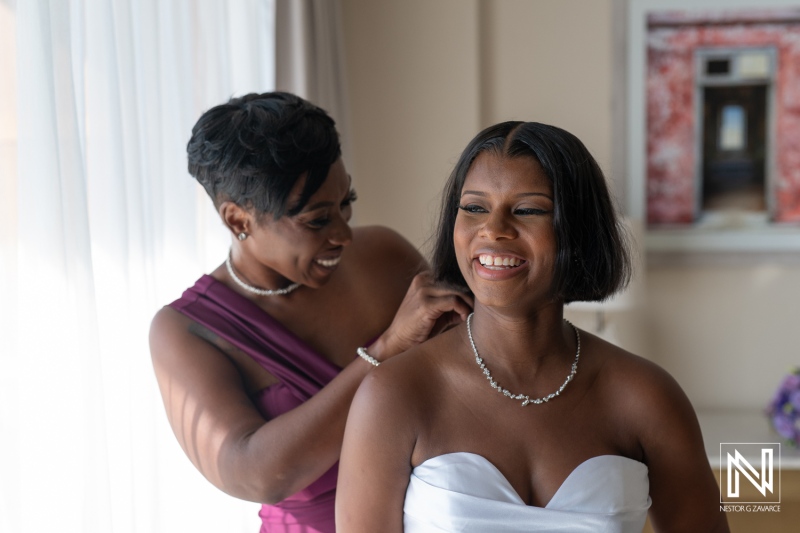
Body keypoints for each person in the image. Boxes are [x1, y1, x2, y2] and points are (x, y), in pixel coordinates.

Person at [336, 121, 730, 532]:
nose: (493, 229)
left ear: (577, 232)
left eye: (527, 210)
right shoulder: (395, 394)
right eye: (474, 208)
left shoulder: (645, 396)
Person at [149, 92, 472, 532]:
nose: (344, 234)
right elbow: (257, 474)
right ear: (238, 220)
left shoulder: (383, 255)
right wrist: (389, 347)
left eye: (346, 203)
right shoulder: (187, 330)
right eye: (318, 220)